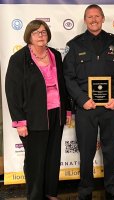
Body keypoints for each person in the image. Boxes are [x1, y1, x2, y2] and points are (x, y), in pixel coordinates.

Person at [63, 4, 114, 200]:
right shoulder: (74, 45)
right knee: (86, 151)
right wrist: (82, 100)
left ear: (103, 18)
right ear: (85, 20)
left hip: (110, 107)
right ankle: (84, 192)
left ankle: (113, 190)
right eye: (90, 17)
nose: (93, 20)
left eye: (97, 16)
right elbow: (68, 77)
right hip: (86, 108)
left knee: (111, 150)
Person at [5, 19, 72, 200]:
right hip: (33, 117)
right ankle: (35, 196)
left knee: (52, 157)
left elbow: (63, 85)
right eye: (36, 33)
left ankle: (51, 193)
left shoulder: (55, 55)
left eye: (43, 32)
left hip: (56, 114)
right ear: (29, 36)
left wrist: (67, 110)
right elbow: (12, 92)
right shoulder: (19, 59)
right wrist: (19, 121)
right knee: (35, 160)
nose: (41, 36)